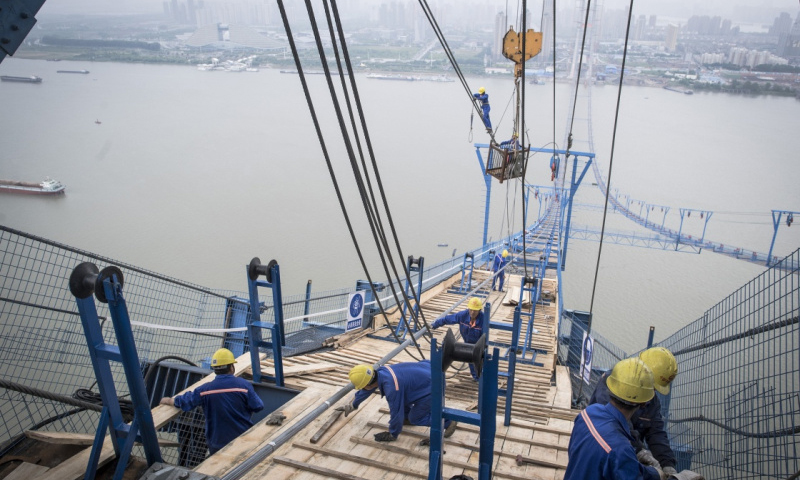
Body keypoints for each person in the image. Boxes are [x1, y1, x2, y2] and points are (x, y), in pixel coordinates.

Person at [565, 358, 665, 480]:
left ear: (611, 388)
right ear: (644, 403)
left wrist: (652, 473)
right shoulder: (621, 449)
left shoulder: (586, 414)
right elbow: (628, 470)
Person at [589, 347, 679, 476]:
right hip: (603, 449)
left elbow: (656, 432)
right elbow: (616, 421)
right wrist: (639, 450)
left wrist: (667, 464)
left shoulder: (652, 401)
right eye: (652, 386)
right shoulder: (613, 381)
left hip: (626, 454)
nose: (652, 392)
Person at [160, 348, 264, 455]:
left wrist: (168, 400)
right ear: (231, 367)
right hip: (242, 439)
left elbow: (185, 401)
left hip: (217, 442)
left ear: (214, 369)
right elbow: (258, 406)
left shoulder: (205, 390)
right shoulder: (244, 386)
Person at [337, 361, 457, 442]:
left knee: (415, 418)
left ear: (367, 384)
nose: (363, 389)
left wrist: (392, 433)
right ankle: (406, 417)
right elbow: (366, 390)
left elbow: (396, 411)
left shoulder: (392, 388)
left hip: (433, 386)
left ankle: (448, 422)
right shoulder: (379, 373)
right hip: (429, 370)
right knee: (404, 397)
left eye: (363, 387)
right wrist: (353, 405)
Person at [430, 297, 485, 380]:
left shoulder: (483, 320)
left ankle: (479, 378)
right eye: (471, 310)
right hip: (467, 341)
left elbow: (485, 336)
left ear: (479, 310)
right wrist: (434, 325)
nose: (472, 312)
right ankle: (476, 377)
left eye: (475, 310)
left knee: (477, 359)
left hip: (478, 344)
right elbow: (447, 319)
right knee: (471, 359)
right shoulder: (462, 315)